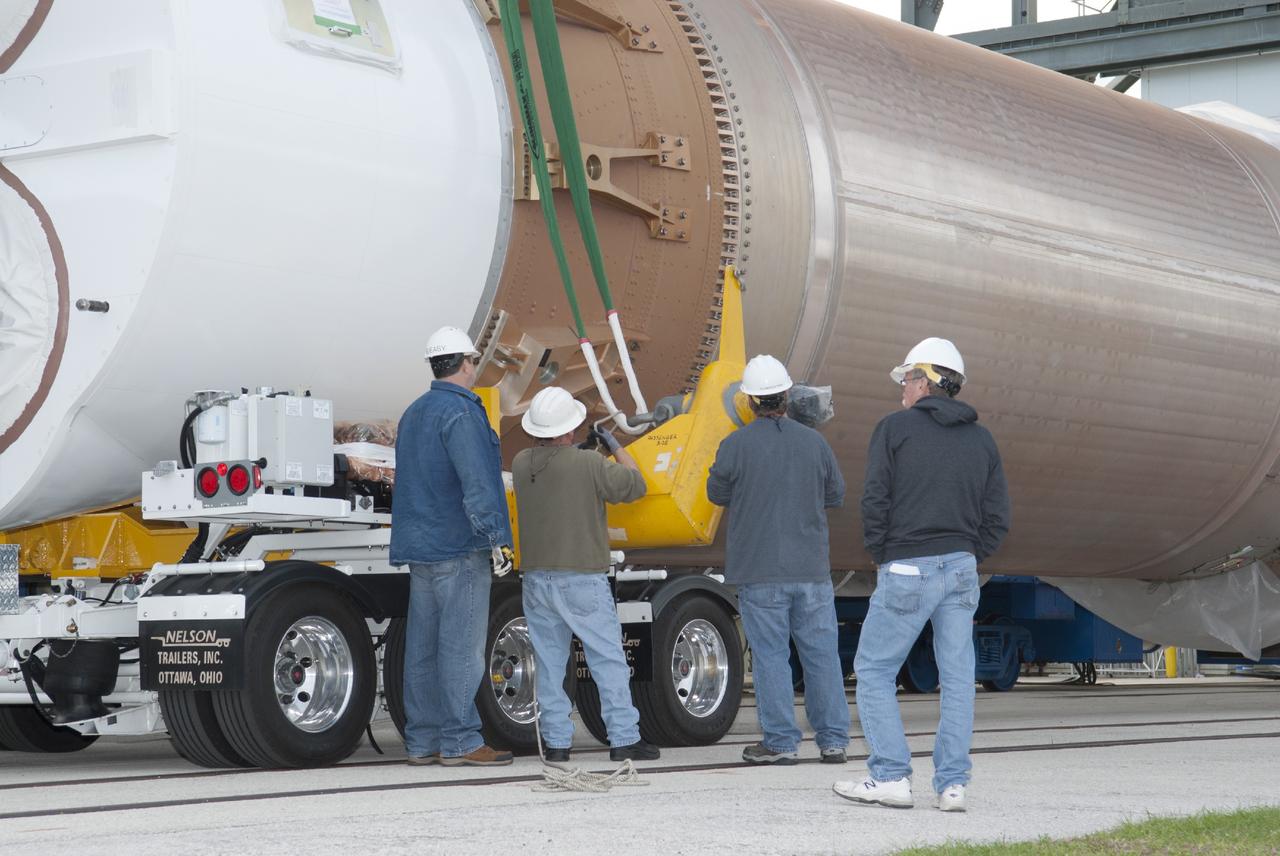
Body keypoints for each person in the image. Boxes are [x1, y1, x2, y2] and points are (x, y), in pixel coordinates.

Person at [834, 337, 1010, 812]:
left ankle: (890, 775)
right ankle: (952, 785)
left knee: (872, 670)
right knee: (957, 678)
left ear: (929, 381)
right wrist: (972, 553)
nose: (902, 388)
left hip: (908, 565)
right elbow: (997, 515)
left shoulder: (894, 430)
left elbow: (875, 500)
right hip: (960, 568)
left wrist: (883, 556)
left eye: (908, 378)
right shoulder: (982, 439)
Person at [706, 354, 850, 766]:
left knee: (771, 656)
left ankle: (782, 744)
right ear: (787, 395)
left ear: (750, 401)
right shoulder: (815, 442)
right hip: (811, 571)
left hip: (760, 570)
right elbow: (835, 495)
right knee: (821, 654)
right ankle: (834, 740)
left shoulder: (735, 445)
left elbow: (716, 493)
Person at [389, 325, 515, 767]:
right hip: (459, 547)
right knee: (460, 648)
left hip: (420, 547)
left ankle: (422, 742)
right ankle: (461, 739)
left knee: (422, 651)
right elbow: (478, 483)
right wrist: (496, 537)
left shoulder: (414, 413)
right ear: (466, 363)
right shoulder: (462, 414)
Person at [512, 387, 660, 762]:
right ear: (571, 428)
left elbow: (559, 468)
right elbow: (636, 485)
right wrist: (613, 446)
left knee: (550, 665)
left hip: (535, 580)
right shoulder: (590, 465)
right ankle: (624, 738)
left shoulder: (520, 462)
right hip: (581, 578)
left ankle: (558, 744)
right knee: (606, 658)